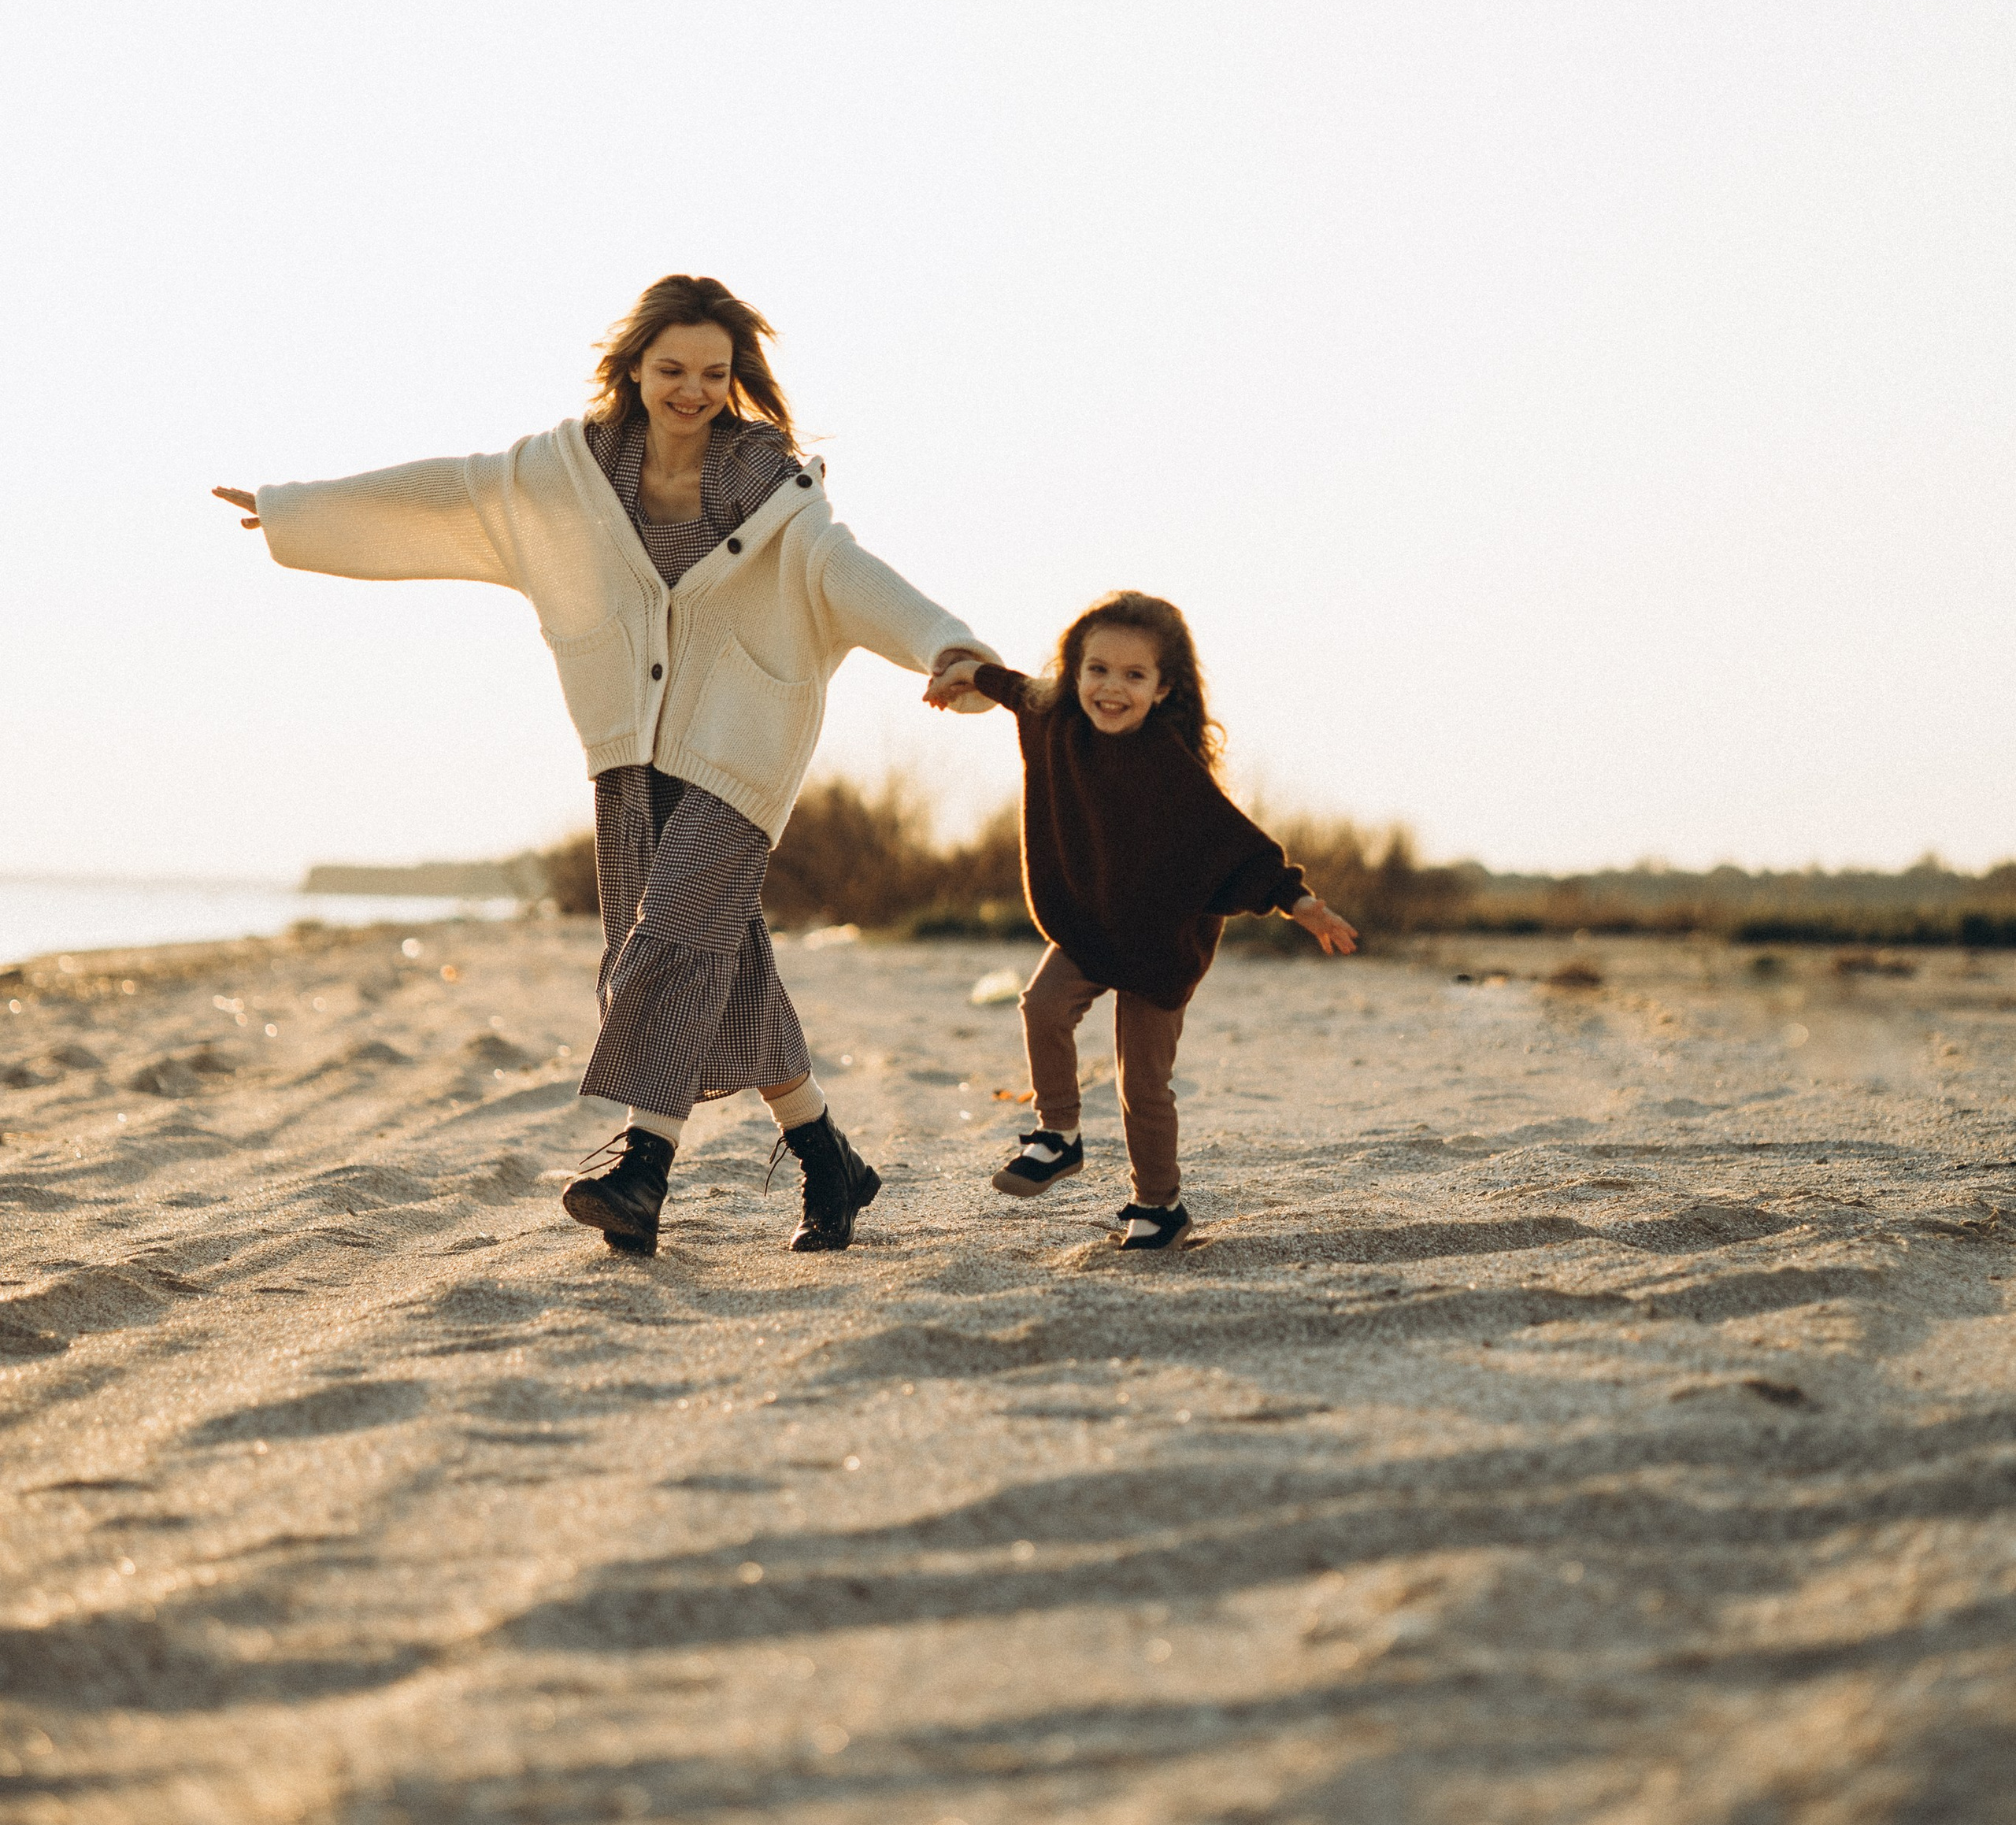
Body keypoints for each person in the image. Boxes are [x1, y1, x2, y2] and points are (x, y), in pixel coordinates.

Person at [215, 273, 994, 1255]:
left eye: (714, 373)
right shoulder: (569, 474)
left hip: (742, 754)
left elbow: (849, 576)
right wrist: (299, 511)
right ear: (634, 368)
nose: (693, 389)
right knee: (727, 961)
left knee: (664, 934)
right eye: (672, 369)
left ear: (733, 376)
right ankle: (828, 1162)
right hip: (629, 753)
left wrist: (944, 643)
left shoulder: (774, 488)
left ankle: (641, 1171)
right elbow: (451, 497)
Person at [925, 591, 1356, 1249]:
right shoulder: (1058, 721)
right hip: (1092, 920)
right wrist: (965, 672)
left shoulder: (1167, 765)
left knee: (1142, 1085)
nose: (1111, 689)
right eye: (1097, 670)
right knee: (1041, 1005)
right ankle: (1058, 1136)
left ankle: (1160, 1207)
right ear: (1075, 673)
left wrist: (1300, 903)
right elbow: (1017, 689)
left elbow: (1231, 843)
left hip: (1163, 939)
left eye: (1134, 676)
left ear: (1163, 688)